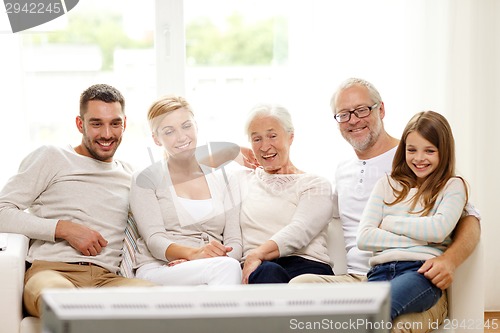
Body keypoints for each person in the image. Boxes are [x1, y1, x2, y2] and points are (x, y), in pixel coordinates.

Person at [290, 78, 480, 332]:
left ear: (381, 110)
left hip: (417, 275)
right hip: (363, 277)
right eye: (343, 114)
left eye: (361, 110)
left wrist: (449, 260)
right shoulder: (345, 171)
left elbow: (469, 219)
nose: (354, 120)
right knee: (298, 289)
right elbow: (359, 233)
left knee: (390, 320)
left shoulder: (418, 158)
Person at [0, 84, 156, 318]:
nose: (106, 134)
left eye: (115, 123)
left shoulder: (131, 176)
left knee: (161, 301)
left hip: (108, 280)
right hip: (54, 273)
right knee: (66, 303)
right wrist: (64, 229)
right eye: (96, 123)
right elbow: (3, 211)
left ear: (124, 123)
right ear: (80, 124)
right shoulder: (52, 157)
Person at [357, 111, 468, 320]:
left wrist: (389, 222)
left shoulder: (453, 186)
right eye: (412, 150)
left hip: (420, 273)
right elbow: (364, 238)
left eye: (429, 151)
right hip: (379, 271)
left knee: (378, 311)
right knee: (362, 318)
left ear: (444, 152)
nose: (419, 158)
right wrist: (424, 239)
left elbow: (438, 230)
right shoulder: (386, 184)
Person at [129, 95, 242, 286]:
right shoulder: (145, 179)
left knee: (228, 267)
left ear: (196, 126)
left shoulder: (226, 179)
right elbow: (154, 239)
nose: (182, 137)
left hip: (213, 266)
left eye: (186, 126)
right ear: (156, 139)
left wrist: (210, 258)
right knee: (227, 268)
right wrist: (192, 255)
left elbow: (234, 241)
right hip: (162, 268)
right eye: (169, 131)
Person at [240, 103, 334, 284]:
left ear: (290, 137)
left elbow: (300, 230)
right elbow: (189, 161)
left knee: (269, 272)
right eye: (256, 139)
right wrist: (236, 151)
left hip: (306, 267)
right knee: (267, 271)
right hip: (259, 270)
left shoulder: (315, 183)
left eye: (272, 136)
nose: (265, 146)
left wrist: (257, 254)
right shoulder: (243, 180)